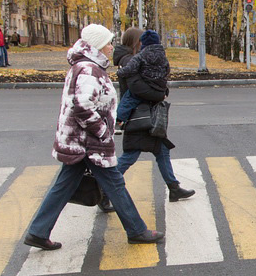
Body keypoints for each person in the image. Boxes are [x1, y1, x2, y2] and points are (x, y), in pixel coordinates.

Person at [23, 24, 164, 250]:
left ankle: (38, 232)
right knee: (115, 184)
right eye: (108, 42)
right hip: (89, 142)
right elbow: (82, 105)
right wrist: (101, 130)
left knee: (63, 186)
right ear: (97, 45)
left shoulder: (85, 66)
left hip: (79, 140)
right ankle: (137, 230)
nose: (111, 47)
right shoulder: (89, 69)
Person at [110, 29, 195, 207]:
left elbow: (156, 80)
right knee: (131, 155)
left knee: (162, 150)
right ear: (136, 42)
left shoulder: (137, 58)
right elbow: (137, 88)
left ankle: (174, 188)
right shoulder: (129, 60)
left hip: (145, 113)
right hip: (139, 115)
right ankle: (105, 188)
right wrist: (160, 94)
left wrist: (163, 89)